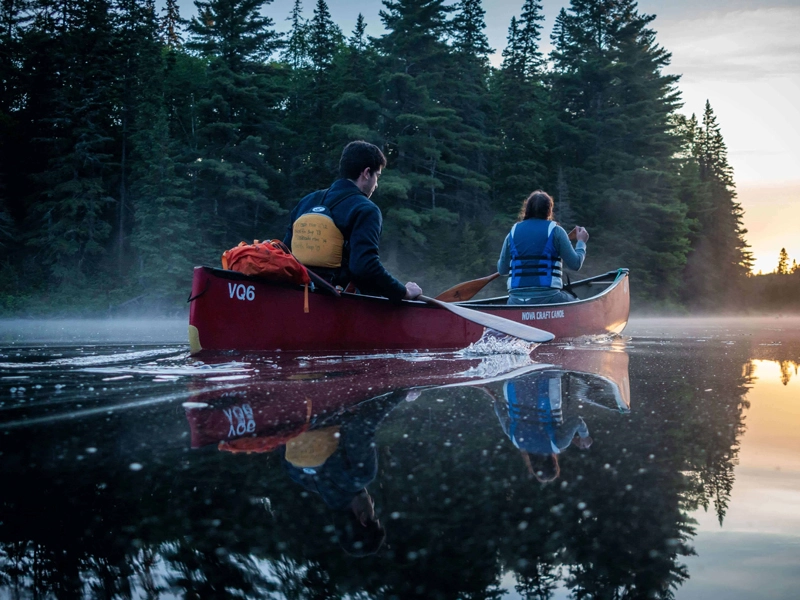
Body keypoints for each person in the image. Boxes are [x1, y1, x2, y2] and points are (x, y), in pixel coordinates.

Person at [283, 141, 422, 302]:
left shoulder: (307, 202)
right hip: (337, 304)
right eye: (377, 176)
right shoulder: (366, 209)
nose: (376, 184)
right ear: (366, 173)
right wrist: (403, 292)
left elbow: (284, 253)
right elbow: (364, 267)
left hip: (298, 296)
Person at [497, 190, 589, 305]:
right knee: (580, 304)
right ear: (549, 210)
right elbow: (575, 264)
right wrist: (581, 242)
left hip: (515, 301)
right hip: (549, 298)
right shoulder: (556, 231)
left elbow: (502, 270)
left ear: (527, 209)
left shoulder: (513, 232)